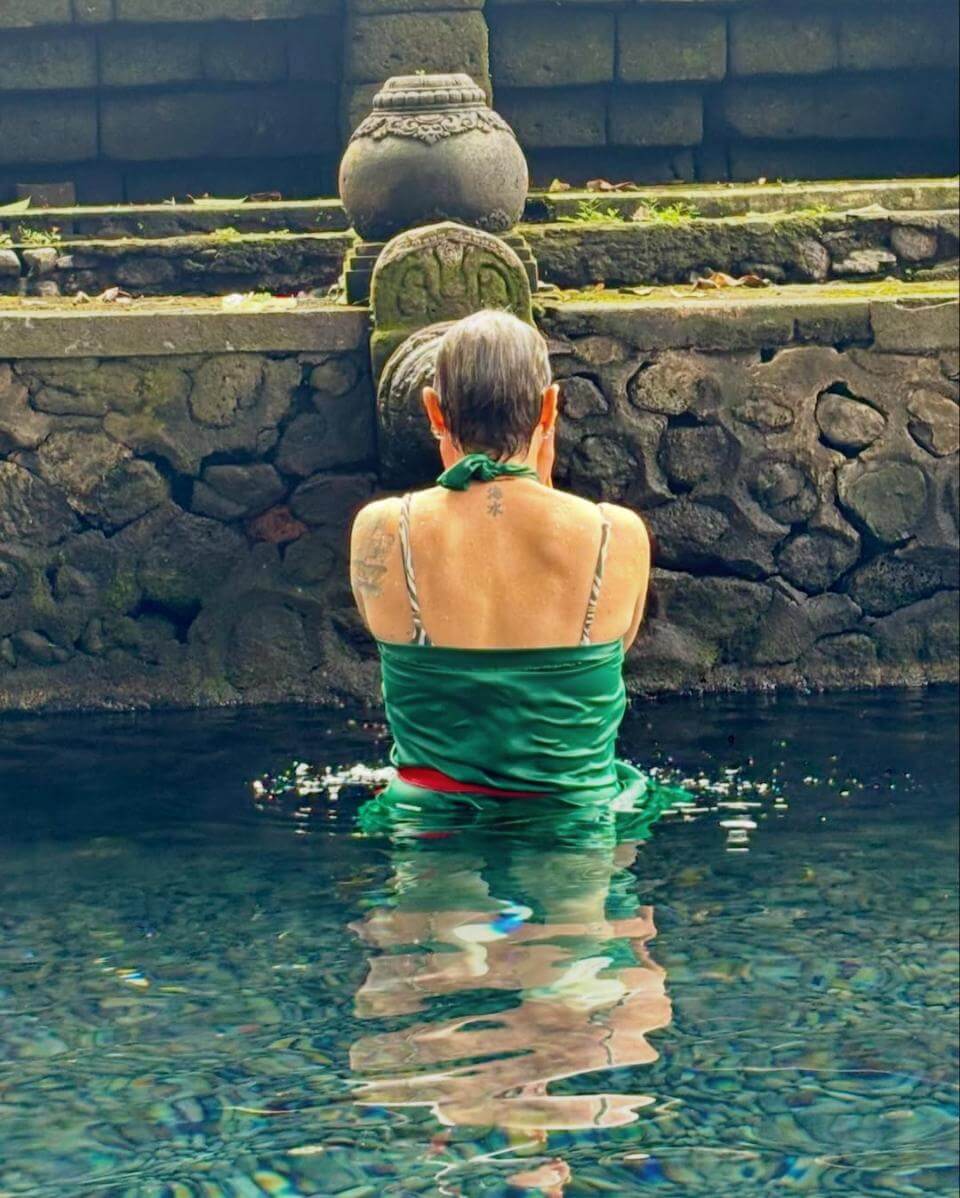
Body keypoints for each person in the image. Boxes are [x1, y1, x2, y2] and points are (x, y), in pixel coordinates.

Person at [349, 308, 658, 810]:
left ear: (433, 410)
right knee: (591, 870)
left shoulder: (383, 529)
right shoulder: (613, 535)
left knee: (429, 875)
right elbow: (614, 650)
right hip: (571, 819)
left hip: (429, 821)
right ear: (549, 408)